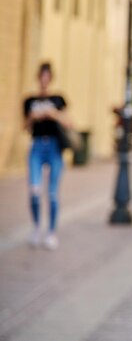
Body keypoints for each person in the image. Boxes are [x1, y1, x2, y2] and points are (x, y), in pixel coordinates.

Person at [23, 62, 71, 250]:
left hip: (54, 147)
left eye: (47, 76)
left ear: (50, 78)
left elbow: (69, 123)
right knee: (34, 190)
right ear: (38, 78)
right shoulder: (29, 100)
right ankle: (36, 227)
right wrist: (32, 117)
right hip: (36, 146)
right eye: (41, 76)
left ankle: (51, 232)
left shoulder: (58, 99)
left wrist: (54, 114)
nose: (44, 80)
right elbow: (25, 127)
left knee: (52, 193)